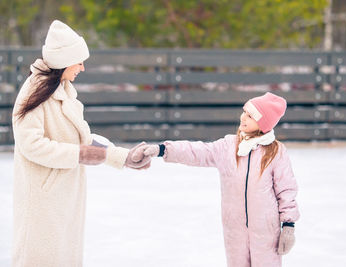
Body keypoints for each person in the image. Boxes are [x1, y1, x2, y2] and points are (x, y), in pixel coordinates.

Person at [12, 20, 149, 267]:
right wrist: (78, 154)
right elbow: (31, 144)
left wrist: (123, 157)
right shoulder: (34, 93)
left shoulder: (63, 90)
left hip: (63, 198)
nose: (83, 68)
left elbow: (84, 140)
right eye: (79, 61)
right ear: (64, 60)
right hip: (44, 201)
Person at [132, 92, 300, 267]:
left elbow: (286, 190)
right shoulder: (228, 147)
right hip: (234, 230)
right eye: (244, 112)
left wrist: (288, 225)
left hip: (266, 231)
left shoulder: (276, 152)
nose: (243, 117)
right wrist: (162, 149)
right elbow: (196, 151)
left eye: (250, 116)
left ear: (263, 124)